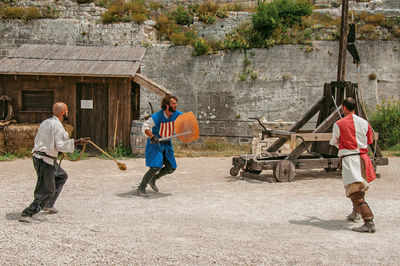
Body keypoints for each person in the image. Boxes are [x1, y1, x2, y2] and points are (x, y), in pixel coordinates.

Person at [19, 102, 88, 223]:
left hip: (42, 157)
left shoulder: (46, 122)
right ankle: (27, 214)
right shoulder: (56, 125)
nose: (67, 112)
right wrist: (78, 141)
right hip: (45, 160)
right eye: (66, 110)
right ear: (63, 112)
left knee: (61, 176)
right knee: (46, 189)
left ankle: (48, 204)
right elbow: (61, 145)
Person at [329, 97, 377, 233]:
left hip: (351, 160)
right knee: (356, 187)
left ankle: (369, 222)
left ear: (344, 107)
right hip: (363, 158)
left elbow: (334, 141)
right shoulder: (364, 123)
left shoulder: (339, 124)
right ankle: (356, 213)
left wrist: (344, 146)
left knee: (355, 191)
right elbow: (369, 140)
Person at [137, 95, 183, 197]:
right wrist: (152, 136)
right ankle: (141, 188)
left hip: (167, 144)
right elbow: (145, 126)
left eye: (176, 103)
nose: (176, 105)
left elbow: (187, 120)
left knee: (171, 167)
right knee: (155, 167)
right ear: (167, 105)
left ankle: (153, 179)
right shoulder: (157, 117)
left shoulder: (177, 114)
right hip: (155, 143)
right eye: (173, 103)